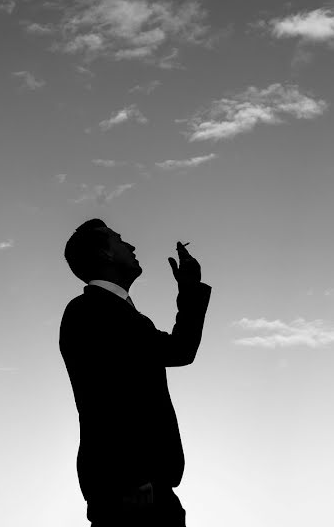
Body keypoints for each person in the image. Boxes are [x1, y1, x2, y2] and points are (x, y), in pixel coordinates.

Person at [59, 219, 212, 526]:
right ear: (105, 256)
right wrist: (131, 476)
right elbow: (106, 400)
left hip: (144, 486)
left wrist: (190, 289)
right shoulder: (90, 311)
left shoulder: (118, 312)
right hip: (131, 488)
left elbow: (179, 351)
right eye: (119, 240)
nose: (131, 246)